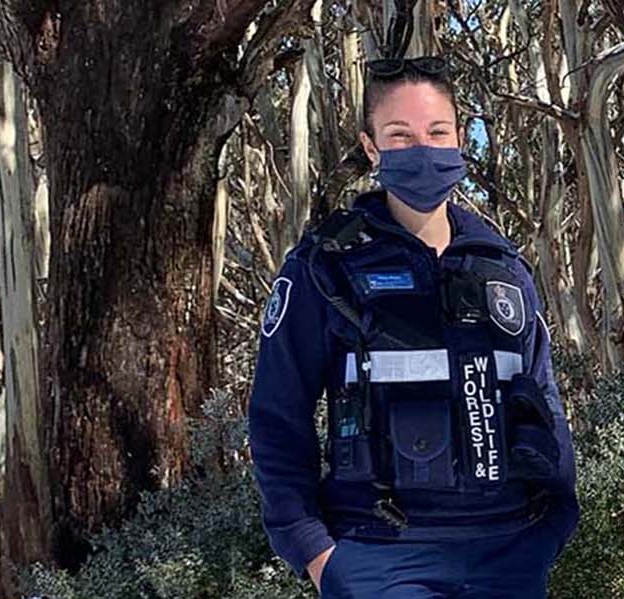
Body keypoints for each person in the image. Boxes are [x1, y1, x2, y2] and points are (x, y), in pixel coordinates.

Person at [247, 55, 577, 598]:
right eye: (399, 135)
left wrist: (556, 518)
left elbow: (541, 393)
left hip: (510, 555)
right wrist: (314, 550)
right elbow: (277, 416)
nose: (422, 149)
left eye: (437, 131)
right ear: (371, 147)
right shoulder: (325, 266)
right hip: (379, 558)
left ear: (459, 141)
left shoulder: (502, 266)